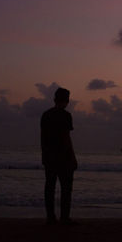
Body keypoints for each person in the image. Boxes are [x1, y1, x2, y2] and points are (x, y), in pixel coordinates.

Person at [41, 87, 77, 225]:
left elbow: (43, 138)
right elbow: (66, 138)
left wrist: (44, 155)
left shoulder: (46, 115)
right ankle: (64, 217)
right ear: (67, 101)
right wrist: (73, 157)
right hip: (63, 158)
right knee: (66, 189)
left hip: (49, 157)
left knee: (50, 187)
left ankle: (50, 217)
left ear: (55, 99)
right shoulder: (66, 116)